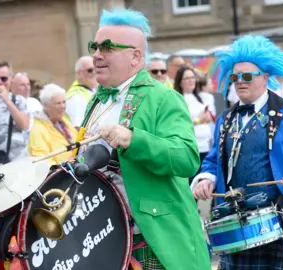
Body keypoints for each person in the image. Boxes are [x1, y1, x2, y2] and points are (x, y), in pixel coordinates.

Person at [191, 35, 283, 270]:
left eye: (247, 76)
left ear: (266, 78)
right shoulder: (225, 119)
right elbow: (213, 161)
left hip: (281, 215)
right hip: (235, 222)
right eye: (235, 77)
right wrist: (206, 178)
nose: (240, 81)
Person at [80, 8, 210, 270]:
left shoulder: (163, 97)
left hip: (152, 235)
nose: (96, 54)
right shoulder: (96, 101)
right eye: (94, 46)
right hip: (103, 235)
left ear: (135, 56)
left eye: (106, 47)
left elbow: (186, 158)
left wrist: (132, 139)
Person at [28, 84, 77, 165]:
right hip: (61, 175)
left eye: (64, 102)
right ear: (46, 106)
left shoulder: (64, 122)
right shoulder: (38, 129)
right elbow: (42, 161)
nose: (63, 106)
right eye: (58, 103)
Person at [0, 61, 30, 166]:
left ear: (10, 78)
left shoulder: (19, 100)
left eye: (3, 78)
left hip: (18, 162)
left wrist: (7, 101)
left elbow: (25, 125)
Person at [66, 56, 98, 129]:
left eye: (96, 69)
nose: (94, 73)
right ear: (78, 74)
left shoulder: (90, 91)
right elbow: (78, 127)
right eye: (90, 70)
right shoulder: (76, 97)